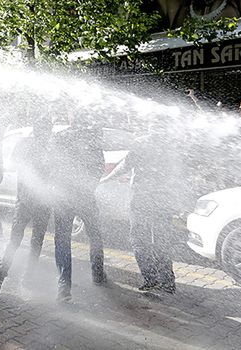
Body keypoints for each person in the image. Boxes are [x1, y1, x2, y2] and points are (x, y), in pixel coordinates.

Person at [102, 130, 179, 293]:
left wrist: (106, 179)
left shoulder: (141, 142)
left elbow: (125, 166)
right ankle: (167, 282)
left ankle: (151, 279)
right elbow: (178, 173)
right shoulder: (170, 145)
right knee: (161, 240)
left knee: (139, 239)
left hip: (142, 199)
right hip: (163, 199)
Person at [0, 117, 53, 298]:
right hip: (41, 203)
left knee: (15, 240)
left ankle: (1, 272)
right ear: (46, 130)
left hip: (24, 201)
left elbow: (14, 164)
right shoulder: (50, 149)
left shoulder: (24, 144)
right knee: (36, 241)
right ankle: (28, 276)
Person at [50, 112, 107, 304]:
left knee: (63, 240)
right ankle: (98, 274)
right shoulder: (92, 140)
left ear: (70, 119)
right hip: (85, 196)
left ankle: (63, 286)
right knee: (95, 235)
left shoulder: (60, 137)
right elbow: (100, 166)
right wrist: (89, 187)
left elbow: (51, 166)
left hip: (63, 197)